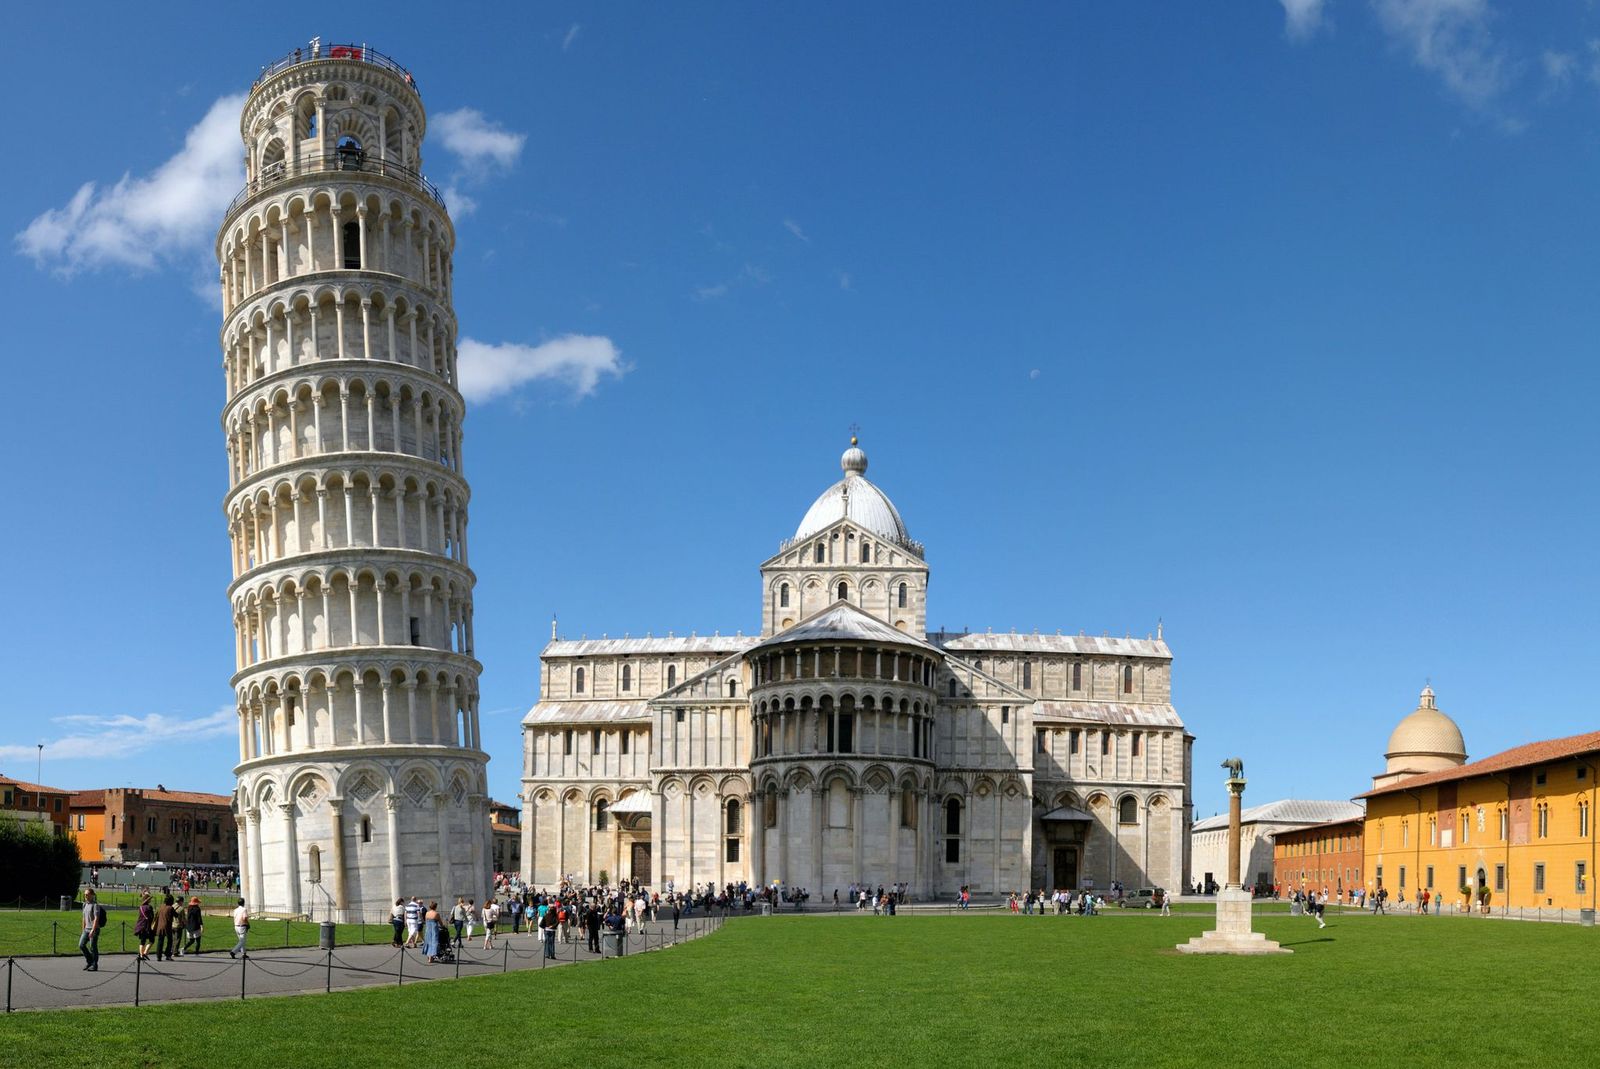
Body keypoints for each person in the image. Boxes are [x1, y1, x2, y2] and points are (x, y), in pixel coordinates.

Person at [79, 889, 106, 971]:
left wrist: (93, 930)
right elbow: (84, 918)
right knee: (81, 945)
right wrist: (83, 929)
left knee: (92, 947)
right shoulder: (84, 905)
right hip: (86, 929)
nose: (85, 896)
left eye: (87, 894)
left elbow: (96, 918)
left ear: (92, 895)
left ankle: (94, 965)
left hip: (94, 929)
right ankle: (90, 961)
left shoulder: (95, 905)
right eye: (85, 894)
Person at [155, 893, 178, 961]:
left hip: (160, 926)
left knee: (160, 941)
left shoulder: (161, 907)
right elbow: (176, 915)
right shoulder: (170, 908)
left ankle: (158, 956)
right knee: (170, 941)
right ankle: (168, 954)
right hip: (167, 926)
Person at [134, 891, 156, 960]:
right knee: (152, 940)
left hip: (141, 926)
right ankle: (145, 953)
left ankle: (141, 954)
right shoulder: (149, 907)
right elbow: (152, 917)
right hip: (147, 926)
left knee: (142, 941)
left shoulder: (141, 907)